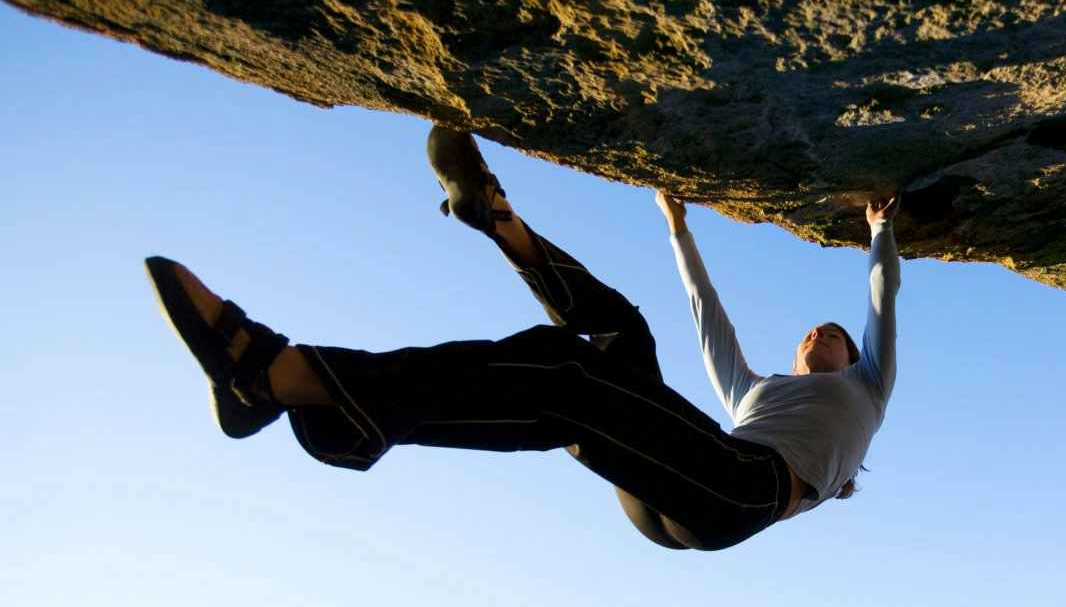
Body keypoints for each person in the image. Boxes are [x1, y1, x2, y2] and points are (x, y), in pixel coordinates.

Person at [144, 127, 901, 551]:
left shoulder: (866, 390)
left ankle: (274, 375)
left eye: (831, 333)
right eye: (812, 327)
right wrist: (679, 230)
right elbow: (707, 314)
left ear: (850, 357)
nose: (817, 331)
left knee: (569, 383)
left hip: (742, 490)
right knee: (619, 333)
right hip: (687, 467)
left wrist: (880, 232)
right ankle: (501, 220)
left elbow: (880, 300)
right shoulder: (755, 391)